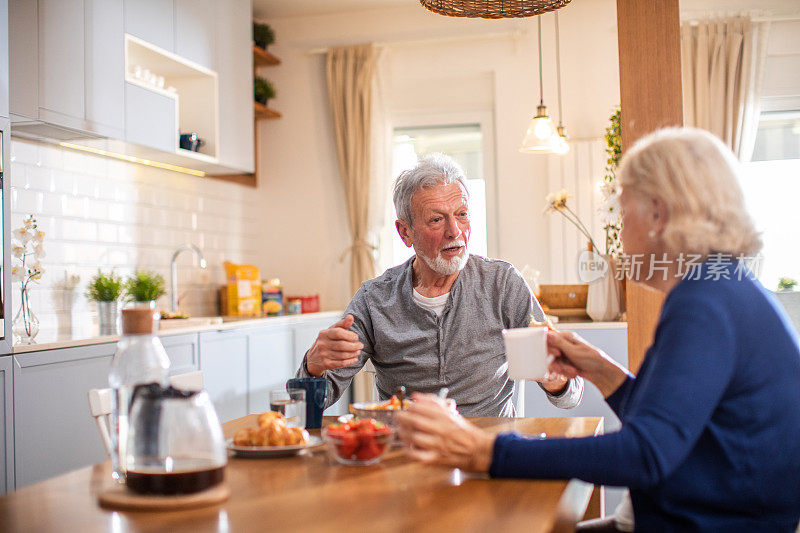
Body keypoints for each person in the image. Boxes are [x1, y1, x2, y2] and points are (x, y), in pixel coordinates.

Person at [396, 129, 800, 531]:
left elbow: (644, 454)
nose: (620, 235)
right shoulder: (719, 288)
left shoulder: (704, 303)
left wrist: (484, 451)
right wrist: (602, 370)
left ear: (657, 214)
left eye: (623, 214)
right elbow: (667, 428)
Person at [295, 153, 583, 416]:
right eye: (436, 219)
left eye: (462, 214)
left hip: (487, 453)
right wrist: (313, 366)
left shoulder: (503, 284)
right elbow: (305, 405)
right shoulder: (374, 299)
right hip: (407, 451)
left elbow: (571, 396)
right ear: (405, 232)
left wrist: (556, 379)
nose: (454, 231)